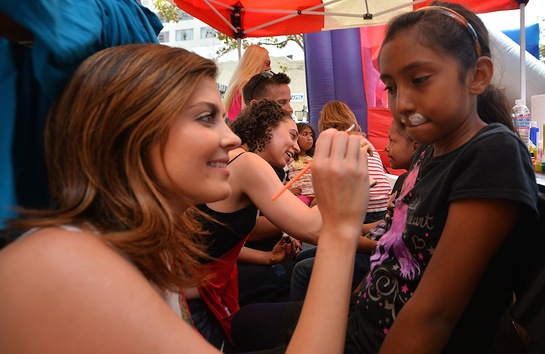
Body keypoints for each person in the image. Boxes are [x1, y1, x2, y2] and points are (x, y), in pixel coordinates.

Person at [0, 43, 371, 354]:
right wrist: (339, 230)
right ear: (134, 133)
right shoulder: (65, 263)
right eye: (206, 117)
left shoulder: (131, 247)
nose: (232, 140)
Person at [232, 2, 540, 353]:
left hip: (383, 340)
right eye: (391, 87)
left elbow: (433, 315)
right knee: (245, 324)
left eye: (419, 80)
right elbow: (390, 258)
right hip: (361, 320)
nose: (402, 104)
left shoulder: (492, 152)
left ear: (478, 75)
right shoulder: (428, 152)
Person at [186, 99, 347, 350]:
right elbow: (314, 229)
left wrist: (267, 258)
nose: (296, 145)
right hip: (192, 304)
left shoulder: (241, 162)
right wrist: (338, 177)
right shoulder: (248, 162)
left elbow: (216, 240)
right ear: (266, 127)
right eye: (292, 135)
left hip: (201, 296)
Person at [363, 119, 418, 242]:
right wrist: (360, 229)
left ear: (415, 146)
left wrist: (355, 241)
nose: (386, 148)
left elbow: (398, 244)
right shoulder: (402, 180)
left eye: (392, 141)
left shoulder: (415, 186)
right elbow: (389, 221)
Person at [224, 44, 271, 122]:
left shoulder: (238, 84)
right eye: (268, 63)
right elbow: (247, 116)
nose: (270, 67)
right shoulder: (248, 84)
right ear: (256, 62)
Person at [287, 122, 317, 206]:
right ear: (295, 137)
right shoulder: (289, 158)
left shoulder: (315, 158)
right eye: (305, 134)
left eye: (311, 135)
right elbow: (281, 180)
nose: (309, 138)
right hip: (299, 196)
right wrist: (289, 190)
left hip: (316, 196)